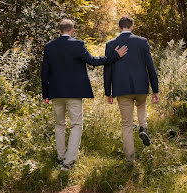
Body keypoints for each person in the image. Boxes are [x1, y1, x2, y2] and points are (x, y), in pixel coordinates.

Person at [41, 19, 128, 170]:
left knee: (59, 125)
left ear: (60, 31)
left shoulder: (49, 47)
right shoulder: (78, 44)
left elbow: (44, 72)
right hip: (75, 92)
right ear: (72, 30)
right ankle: (68, 162)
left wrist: (45, 93)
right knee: (76, 125)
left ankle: (61, 158)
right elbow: (93, 61)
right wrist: (115, 55)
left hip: (55, 92)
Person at [104, 16, 160, 163]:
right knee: (141, 106)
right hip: (141, 86)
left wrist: (108, 92)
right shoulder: (142, 42)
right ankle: (143, 128)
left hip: (121, 89)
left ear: (119, 27)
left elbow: (107, 70)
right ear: (132, 26)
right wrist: (155, 90)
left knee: (127, 124)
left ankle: (130, 160)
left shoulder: (111, 44)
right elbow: (150, 66)